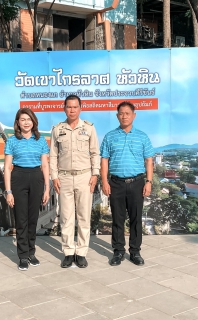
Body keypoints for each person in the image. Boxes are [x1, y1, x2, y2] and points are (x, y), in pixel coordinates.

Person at [100, 101, 155, 266]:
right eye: (121, 113)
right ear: (117, 116)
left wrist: (149, 181)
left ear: (134, 115)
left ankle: (135, 252)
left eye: (127, 113)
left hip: (137, 183)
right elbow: (104, 160)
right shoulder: (110, 136)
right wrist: (104, 181)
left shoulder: (143, 137)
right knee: (117, 219)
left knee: (135, 219)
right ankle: (118, 252)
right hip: (116, 183)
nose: (124, 116)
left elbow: (149, 160)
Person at [50, 95, 100, 268]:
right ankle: (68, 252)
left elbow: (95, 153)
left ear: (80, 108)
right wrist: (54, 176)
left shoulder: (89, 128)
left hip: (84, 177)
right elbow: (53, 155)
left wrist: (95, 175)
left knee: (84, 216)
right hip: (64, 177)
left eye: (75, 107)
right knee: (66, 217)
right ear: (64, 108)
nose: (72, 110)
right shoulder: (58, 129)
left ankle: (81, 252)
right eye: (69, 107)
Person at [4, 108, 50, 271]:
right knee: (21, 219)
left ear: (34, 122)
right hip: (19, 178)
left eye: (28, 119)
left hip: (36, 178)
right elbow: (8, 167)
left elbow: (45, 165)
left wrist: (46, 188)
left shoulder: (41, 140)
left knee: (32, 218)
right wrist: (8, 191)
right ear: (17, 122)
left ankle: (31, 252)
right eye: (22, 119)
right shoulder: (12, 140)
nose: (26, 122)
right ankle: (23, 256)